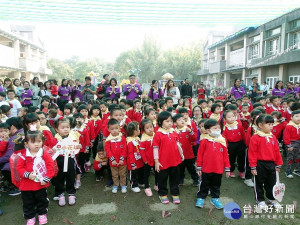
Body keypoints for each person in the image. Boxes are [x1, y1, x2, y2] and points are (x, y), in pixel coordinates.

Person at [16, 131, 55, 225]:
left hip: (40, 184)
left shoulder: (44, 154)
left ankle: (42, 214)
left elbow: (50, 166)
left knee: (41, 200)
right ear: (26, 144)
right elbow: (19, 168)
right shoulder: (23, 155)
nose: (36, 144)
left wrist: (47, 178)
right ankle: (30, 217)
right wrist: (27, 175)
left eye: (39, 141)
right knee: (27, 202)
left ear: (42, 141)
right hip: (26, 185)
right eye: (33, 142)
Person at [248, 114, 283, 209]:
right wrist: (253, 166)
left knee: (272, 182)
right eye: (269, 124)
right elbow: (252, 153)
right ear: (260, 125)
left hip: (271, 164)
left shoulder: (273, 137)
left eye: (272, 124)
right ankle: (260, 200)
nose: (271, 126)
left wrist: (279, 164)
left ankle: (271, 198)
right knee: (259, 182)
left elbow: (277, 151)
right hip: (259, 164)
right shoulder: (255, 137)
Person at [195, 119, 230, 209]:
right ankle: (201, 197)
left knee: (216, 184)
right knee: (204, 184)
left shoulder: (222, 141)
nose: (218, 130)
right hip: (206, 168)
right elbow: (200, 155)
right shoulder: (204, 141)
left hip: (218, 169)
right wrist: (199, 167)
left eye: (219, 128)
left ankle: (215, 198)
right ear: (208, 131)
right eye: (215, 128)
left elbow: (226, 156)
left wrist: (227, 168)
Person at [153, 111, 183, 204]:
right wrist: (156, 161)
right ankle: (163, 194)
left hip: (175, 160)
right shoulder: (158, 134)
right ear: (160, 122)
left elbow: (177, 144)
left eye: (170, 121)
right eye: (167, 121)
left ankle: (175, 193)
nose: (170, 123)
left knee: (175, 178)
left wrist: (181, 155)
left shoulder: (173, 132)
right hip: (163, 162)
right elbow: (155, 149)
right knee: (162, 179)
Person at [53, 118, 80, 206]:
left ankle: (71, 194)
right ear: (57, 129)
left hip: (70, 159)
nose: (65, 129)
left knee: (70, 176)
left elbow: (76, 147)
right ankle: (60, 194)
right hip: (59, 160)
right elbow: (51, 149)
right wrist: (53, 149)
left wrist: (78, 146)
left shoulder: (73, 136)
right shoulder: (55, 139)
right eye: (63, 127)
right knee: (59, 177)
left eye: (67, 127)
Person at [173, 114, 198, 186]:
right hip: (179, 155)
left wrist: (190, 132)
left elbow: (194, 139)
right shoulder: (174, 132)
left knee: (191, 168)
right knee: (180, 169)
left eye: (183, 119)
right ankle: (181, 180)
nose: (182, 121)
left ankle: (195, 179)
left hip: (189, 154)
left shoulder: (188, 129)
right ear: (175, 123)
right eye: (179, 120)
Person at [105, 119, 128, 194]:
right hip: (113, 162)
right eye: (112, 129)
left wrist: (122, 158)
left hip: (122, 161)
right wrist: (112, 160)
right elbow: (108, 151)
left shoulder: (123, 138)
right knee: (114, 174)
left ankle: (123, 185)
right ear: (109, 130)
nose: (114, 130)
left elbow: (125, 149)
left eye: (116, 128)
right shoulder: (108, 140)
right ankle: (116, 185)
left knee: (122, 174)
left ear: (119, 128)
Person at [222, 110, 246, 179]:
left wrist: (245, 142)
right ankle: (231, 170)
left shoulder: (239, 125)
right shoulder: (225, 127)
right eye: (229, 117)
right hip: (231, 145)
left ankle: (241, 171)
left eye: (233, 116)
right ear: (225, 119)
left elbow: (243, 134)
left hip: (240, 143)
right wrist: (225, 147)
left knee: (241, 158)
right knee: (231, 158)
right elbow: (224, 138)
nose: (232, 118)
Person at [140, 119, 157, 196]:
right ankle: (147, 187)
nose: (150, 129)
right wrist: (144, 160)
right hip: (147, 160)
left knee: (157, 172)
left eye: (151, 127)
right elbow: (142, 151)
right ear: (143, 130)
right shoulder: (143, 139)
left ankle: (157, 184)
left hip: (156, 159)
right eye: (147, 128)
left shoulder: (156, 135)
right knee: (146, 174)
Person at [126, 122, 144, 193]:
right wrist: (132, 163)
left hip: (139, 160)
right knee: (133, 174)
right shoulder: (130, 142)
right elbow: (130, 154)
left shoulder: (137, 139)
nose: (139, 130)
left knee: (140, 173)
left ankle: (140, 182)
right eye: (138, 129)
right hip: (133, 163)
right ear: (134, 131)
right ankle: (134, 185)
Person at [283, 110, 300, 178]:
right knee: (290, 158)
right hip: (291, 144)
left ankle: (296, 169)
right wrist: (289, 145)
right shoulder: (289, 126)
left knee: (298, 157)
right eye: (296, 116)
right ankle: (288, 170)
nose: (298, 118)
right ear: (291, 118)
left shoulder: (299, 125)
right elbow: (286, 137)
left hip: (298, 143)